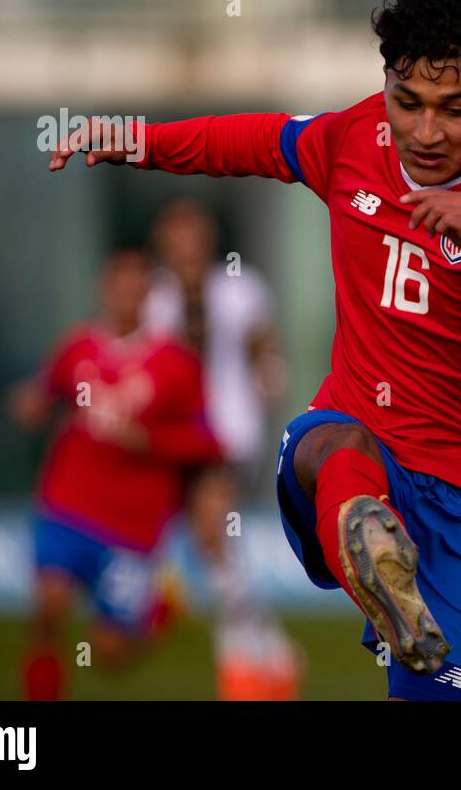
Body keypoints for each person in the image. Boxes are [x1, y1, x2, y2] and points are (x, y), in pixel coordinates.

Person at [47, 0, 461, 700]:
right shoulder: (356, 139)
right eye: (407, 101)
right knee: (330, 444)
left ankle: (390, 567)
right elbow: (258, 141)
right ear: (385, 83)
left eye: (455, 110)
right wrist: (137, 140)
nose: (425, 131)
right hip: (363, 440)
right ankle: (368, 533)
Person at [10, 248, 221, 700]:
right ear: (103, 289)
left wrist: (150, 441)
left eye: (136, 285)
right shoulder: (77, 347)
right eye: (118, 284)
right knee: (48, 607)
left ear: (147, 293)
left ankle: (157, 610)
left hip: (133, 524)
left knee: (110, 656)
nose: (127, 294)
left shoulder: (176, 362)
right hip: (67, 502)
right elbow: (45, 391)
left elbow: (209, 441)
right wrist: (30, 404)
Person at [144, 199, 301, 700]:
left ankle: (236, 659)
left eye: (193, 234)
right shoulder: (155, 299)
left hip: (230, 431)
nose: (185, 245)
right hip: (175, 436)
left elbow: (263, 347)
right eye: (176, 236)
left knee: (212, 532)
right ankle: (272, 649)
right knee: (213, 547)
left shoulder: (240, 288)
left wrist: (271, 377)